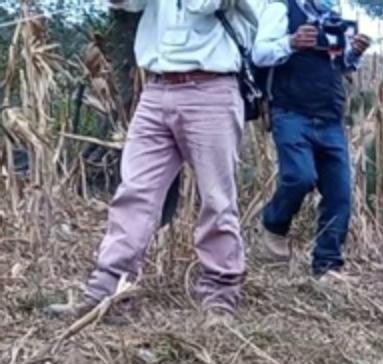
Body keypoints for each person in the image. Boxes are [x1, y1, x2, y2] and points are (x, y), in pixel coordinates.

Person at [47, 0, 258, 323]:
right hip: (156, 89)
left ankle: (220, 297)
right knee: (134, 192)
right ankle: (108, 294)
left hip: (212, 87)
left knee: (216, 198)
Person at [251, 0, 371, 278]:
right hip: (290, 112)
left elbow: (340, 65)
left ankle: (327, 266)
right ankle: (274, 223)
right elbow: (259, 54)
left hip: (331, 116)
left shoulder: (332, 15)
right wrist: (291, 42)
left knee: (340, 195)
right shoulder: (280, 8)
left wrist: (354, 52)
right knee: (300, 176)